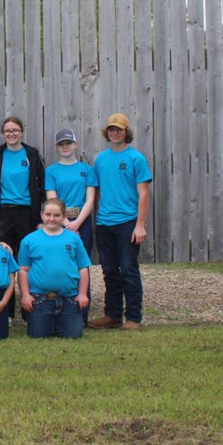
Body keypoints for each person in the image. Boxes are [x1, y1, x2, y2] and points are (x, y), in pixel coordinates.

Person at [88, 113, 152, 331]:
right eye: (111, 129)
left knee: (128, 269)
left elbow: (143, 194)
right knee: (109, 270)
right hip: (105, 223)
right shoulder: (101, 159)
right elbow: (96, 192)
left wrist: (140, 224)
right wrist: (97, 219)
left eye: (119, 129)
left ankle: (134, 318)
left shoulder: (136, 158)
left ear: (126, 132)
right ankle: (112, 315)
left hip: (128, 222)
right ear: (107, 133)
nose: (115, 133)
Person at [0, 116, 45, 319]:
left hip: (27, 213)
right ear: (3, 133)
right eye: (7, 131)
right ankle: (5, 313)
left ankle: (30, 311)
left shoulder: (32, 155)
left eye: (15, 130)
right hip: (2, 214)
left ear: (21, 132)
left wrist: (41, 218)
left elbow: (41, 187)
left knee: (28, 261)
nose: (11, 134)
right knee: (3, 261)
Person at [45, 128, 97, 324]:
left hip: (81, 223)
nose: (65, 147)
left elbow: (90, 200)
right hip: (58, 223)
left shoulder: (87, 170)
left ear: (75, 144)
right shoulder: (51, 171)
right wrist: (65, 222)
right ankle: (59, 310)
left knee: (81, 265)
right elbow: (53, 199)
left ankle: (82, 313)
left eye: (68, 143)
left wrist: (77, 223)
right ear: (57, 148)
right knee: (60, 263)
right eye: (61, 144)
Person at [18, 199, 92, 339]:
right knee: (38, 336)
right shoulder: (29, 240)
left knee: (74, 336)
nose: (52, 219)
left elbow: (83, 268)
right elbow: (23, 271)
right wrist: (26, 295)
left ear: (64, 216)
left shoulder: (74, 239)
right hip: (40, 299)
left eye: (57, 215)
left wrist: (82, 294)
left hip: (69, 299)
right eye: (48, 214)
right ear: (42, 214)